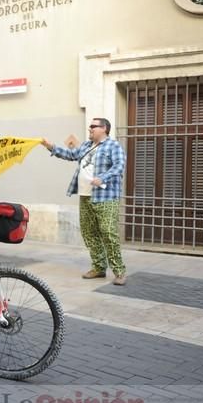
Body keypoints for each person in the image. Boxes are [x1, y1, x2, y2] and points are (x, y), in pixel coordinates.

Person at [42, 118, 128, 285]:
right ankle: (99, 267)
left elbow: (119, 166)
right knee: (89, 233)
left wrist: (102, 177)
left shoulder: (113, 146)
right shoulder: (86, 146)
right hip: (85, 195)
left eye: (93, 126)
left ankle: (119, 272)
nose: (90, 129)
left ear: (104, 129)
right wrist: (50, 146)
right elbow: (70, 155)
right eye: (90, 126)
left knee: (108, 233)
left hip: (106, 197)